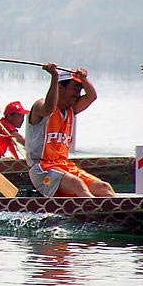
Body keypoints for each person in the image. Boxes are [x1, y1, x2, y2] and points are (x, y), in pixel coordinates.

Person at [25, 64, 114, 197]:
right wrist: (54, 77)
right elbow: (48, 108)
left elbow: (91, 97)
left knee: (104, 187)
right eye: (75, 90)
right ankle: (95, 211)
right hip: (42, 170)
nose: (78, 95)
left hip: (64, 166)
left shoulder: (71, 110)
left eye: (80, 90)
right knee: (77, 184)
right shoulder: (40, 106)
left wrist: (84, 79)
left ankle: (118, 213)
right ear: (60, 88)